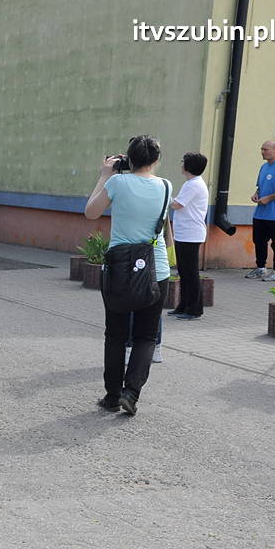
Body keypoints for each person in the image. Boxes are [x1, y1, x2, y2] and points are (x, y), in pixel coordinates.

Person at [85, 135, 171, 416]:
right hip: (156, 269)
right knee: (146, 336)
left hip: (120, 269)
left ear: (129, 159)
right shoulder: (166, 187)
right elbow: (167, 238)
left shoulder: (117, 183)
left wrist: (104, 175)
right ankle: (131, 394)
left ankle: (111, 396)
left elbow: (91, 213)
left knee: (116, 335)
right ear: (157, 160)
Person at [245, 140, 275, 282]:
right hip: (261, 212)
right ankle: (261, 268)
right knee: (259, 241)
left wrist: (269, 198)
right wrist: (257, 194)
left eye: (265, 149)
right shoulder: (264, 167)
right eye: (262, 149)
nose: (262, 152)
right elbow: (261, 186)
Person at [169, 152, 209, 320]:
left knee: (190, 273)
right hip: (185, 233)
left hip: (190, 235)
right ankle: (183, 305)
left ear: (187, 166)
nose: (181, 165)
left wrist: (161, 195)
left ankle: (194, 308)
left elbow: (177, 204)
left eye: (183, 162)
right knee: (184, 272)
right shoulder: (192, 183)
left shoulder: (193, 185)